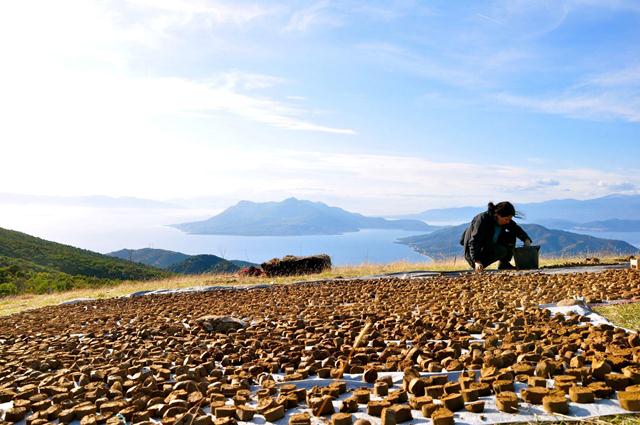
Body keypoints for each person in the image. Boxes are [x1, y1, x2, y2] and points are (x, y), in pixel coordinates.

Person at [460, 201, 532, 272]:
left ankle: (504, 264)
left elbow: (515, 229)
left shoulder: (503, 220)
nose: (508, 222)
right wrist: (476, 261)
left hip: (488, 246)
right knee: (501, 251)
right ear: (498, 215)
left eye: (509, 220)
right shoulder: (482, 220)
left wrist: (526, 239)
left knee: (511, 236)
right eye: (506, 219)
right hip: (474, 253)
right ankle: (479, 266)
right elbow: (474, 241)